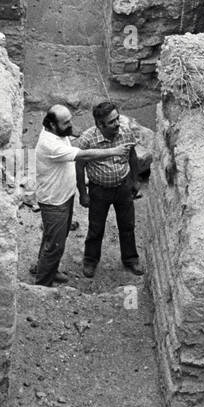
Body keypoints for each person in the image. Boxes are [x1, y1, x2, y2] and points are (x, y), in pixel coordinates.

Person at [32, 104, 133, 288]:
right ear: (53, 125)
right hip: (54, 202)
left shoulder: (53, 132)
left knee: (54, 239)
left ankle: (47, 269)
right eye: (66, 123)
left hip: (63, 196)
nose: (71, 125)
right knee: (55, 244)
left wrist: (72, 131)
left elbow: (68, 133)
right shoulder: (50, 145)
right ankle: (42, 284)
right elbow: (83, 155)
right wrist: (113, 151)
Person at [75, 100, 143, 278]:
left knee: (127, 225)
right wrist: (83, 193)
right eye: (112, 121)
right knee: (96, 228)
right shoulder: (88, 139)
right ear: (99, 124)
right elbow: (79, 167)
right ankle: (90, 260)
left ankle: (130, 259)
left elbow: (133, 156)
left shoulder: (125, 133)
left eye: (117, 118)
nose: (117, 124)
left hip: (123, 188)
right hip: (99, 191)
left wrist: (135, 181)